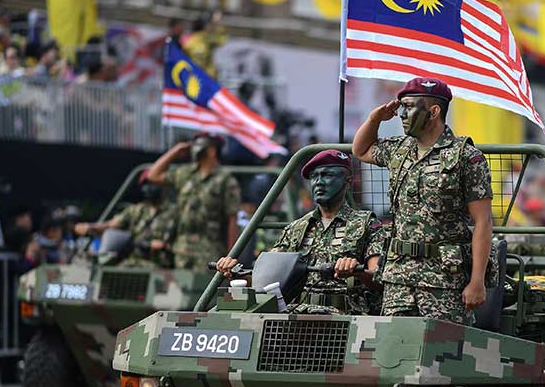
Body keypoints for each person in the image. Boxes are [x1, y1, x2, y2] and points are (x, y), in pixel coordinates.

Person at [351, 77, 493, 324]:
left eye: (409, 107)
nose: (402, 114)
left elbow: (482, 221)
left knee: (444, 352)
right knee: (394, 348)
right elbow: (361, 150)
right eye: (401, 107)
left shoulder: (465, 157)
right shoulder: (400, 149)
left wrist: (477, 281)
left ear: (434, 111)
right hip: (399, 276)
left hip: (443, 278)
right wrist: (375, 119)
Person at [216, 150, 384, 314]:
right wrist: (235, 272)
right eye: (314, 177)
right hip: (298, 316)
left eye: (327, 175)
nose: (319, 182)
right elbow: (266, 282)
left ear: (347, 182)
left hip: (345, 318)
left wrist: (356, 270)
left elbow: (378, 279)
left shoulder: (366, 224)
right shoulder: (296, 228)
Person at [147, 133, 240, 270]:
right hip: (182, 247)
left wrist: (231, 255)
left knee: (204, 289)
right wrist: (176, 151)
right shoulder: (185, 174)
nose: (195, 148)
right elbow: (153, 175)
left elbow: (232, 219)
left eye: (200, 145)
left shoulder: (225, 180)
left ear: (212, 151)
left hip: (209, 248)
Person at [74, 170, 175, 268]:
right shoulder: (135, 210)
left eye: (153, 183)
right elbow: (110, 225)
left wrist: (165, 245)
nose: (150, 187)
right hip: (133, 262)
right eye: (147, 184)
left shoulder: (174, 213)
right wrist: (90, 227)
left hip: (162, 266)